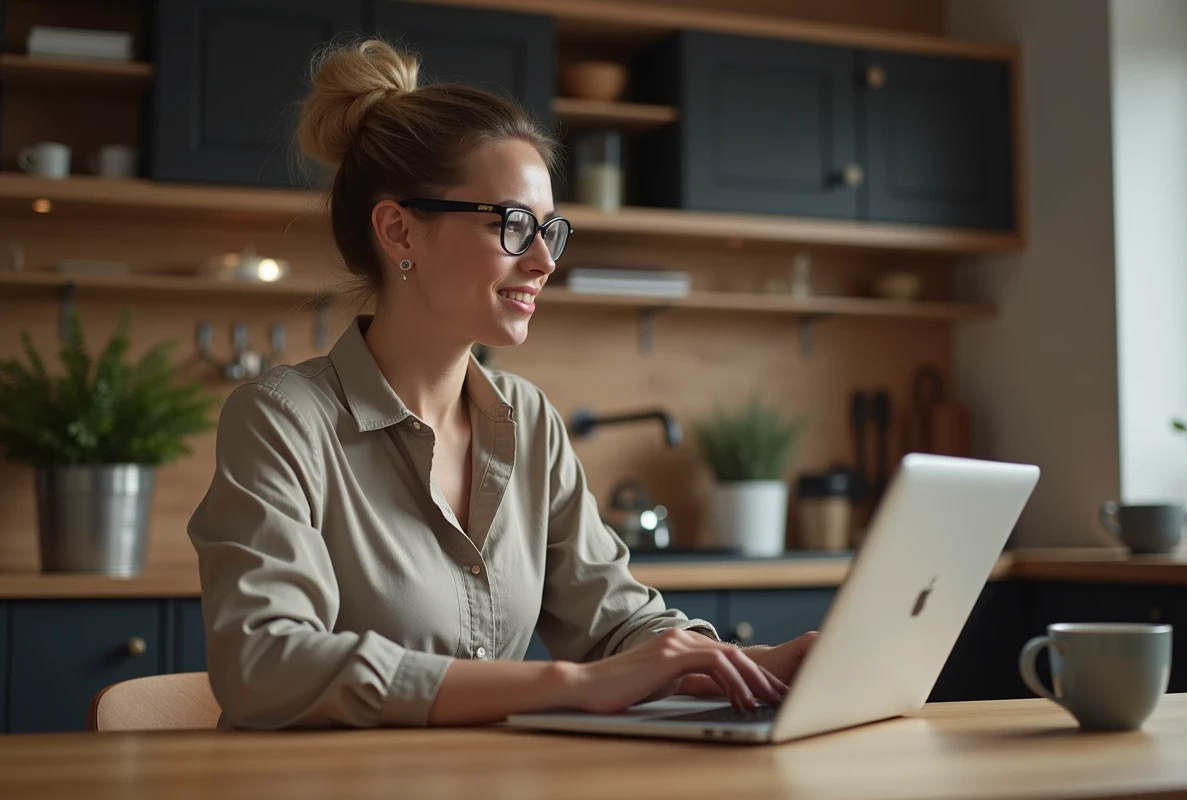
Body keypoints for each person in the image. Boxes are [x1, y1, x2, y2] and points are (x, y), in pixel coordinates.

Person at [187, 38, 817, 730]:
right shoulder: (282, 420)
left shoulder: (529, 420)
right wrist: (566, 682)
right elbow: (265, 663)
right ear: (399, 231)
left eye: (550, 230)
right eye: (516, 226)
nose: (545, 260)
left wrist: (755, 665)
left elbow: (617, 625)